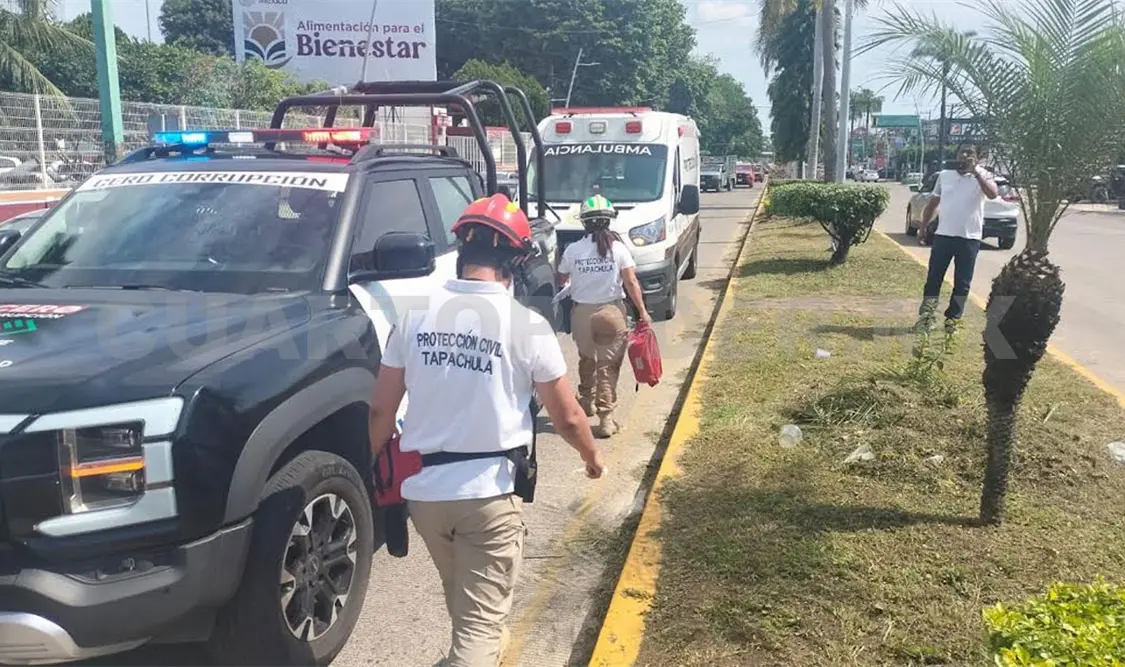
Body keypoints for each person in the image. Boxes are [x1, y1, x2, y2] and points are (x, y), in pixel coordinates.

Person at [367, 193, 604, 667]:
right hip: (487, 497)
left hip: (426, 497)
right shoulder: (527, 326)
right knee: (480, 624)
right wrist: (591, 457)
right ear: (516, 260)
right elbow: (569, 417)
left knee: (465, 602)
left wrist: (371, 467)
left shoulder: (412, 317)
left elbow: (380, 412)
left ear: (461, 253)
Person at [557, 194, 650, 438]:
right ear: (609, 221)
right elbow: (630, 282)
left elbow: (562, 277)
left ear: (584, 222)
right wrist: (642, 311)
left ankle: (586, 400)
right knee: (607, 367)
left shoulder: (573, 250)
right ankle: (606, 419)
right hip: (611, 312)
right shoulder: (618, 249)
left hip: (582, 314)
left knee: (587, 359)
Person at [915, 145, 999, 333]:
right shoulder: (945, 175)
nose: (965, 155)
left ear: (976, 157)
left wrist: (976, 171)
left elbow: (993, 194)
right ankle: (926, 317)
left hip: (969, 239)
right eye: (962, 152)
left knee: (962, 283)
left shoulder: (983, 175)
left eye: (970, 153)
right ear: (956, 155)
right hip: (943, 236)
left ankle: (952, 320)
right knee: (933, 278)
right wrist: (923, 227)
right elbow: (933, 203)